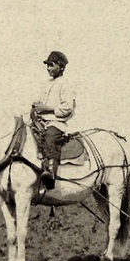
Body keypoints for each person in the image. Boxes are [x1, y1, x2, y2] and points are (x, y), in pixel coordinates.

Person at [32, 51, 76, 190]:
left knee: (50, 138)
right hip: (42, 122)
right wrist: (37, 106)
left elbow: (67, 108)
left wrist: (47, 109)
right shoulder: (47, 83)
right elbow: (41, 101)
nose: (49, 69)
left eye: (51, 65)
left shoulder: (66, 84)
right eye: (47, 66)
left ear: (61, 67)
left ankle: (50, 173)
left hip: (56, 123)